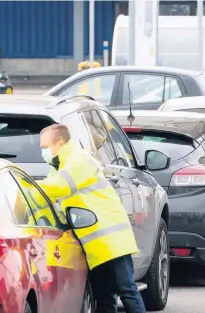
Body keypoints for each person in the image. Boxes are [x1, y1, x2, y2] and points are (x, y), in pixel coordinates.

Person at [30, 123, 145, 313]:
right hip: (96, 245)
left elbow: (58, 187)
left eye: (45, 147)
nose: (43, 151)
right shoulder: (58, 167)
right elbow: (46, 201)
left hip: (112, 241)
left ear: (59, 143)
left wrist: (25, 188)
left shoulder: (79, 160)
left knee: (126, 290)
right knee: (104, 295)